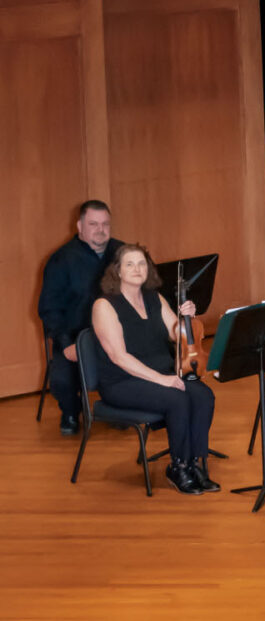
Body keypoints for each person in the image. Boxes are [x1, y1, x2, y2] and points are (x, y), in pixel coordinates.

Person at [89, 243, 217, 494]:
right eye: (130, 264)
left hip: (160, 373)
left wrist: (186, 318)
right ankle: (178, 467)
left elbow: (176, 335)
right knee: (177, 399)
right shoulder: (104, 306)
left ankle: (193, 463)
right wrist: (162, 379)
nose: (137, 269)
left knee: (203, 395)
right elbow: (118, 357)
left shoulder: (154, 298)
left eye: (142, 263)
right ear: (117, 271)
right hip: (121, 381)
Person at [38, 200, 124, 435]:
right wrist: (66, 344)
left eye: (105, 224)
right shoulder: (60, 260)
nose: (100, 230)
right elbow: (49, 308)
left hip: (117, 335)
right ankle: (70, 411)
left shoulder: (123, 253)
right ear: (79, 226)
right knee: (63, 379)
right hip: (76, 336)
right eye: (93, 224)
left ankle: (122, 406)